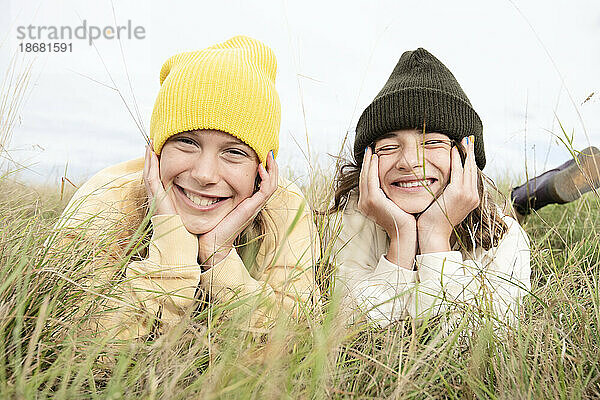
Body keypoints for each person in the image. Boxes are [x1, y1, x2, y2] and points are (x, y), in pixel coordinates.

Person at [52, 36, 319, 340]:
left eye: (234, 152)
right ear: (156, 150)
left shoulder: (285, 208)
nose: (204, 174)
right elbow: (85, 350)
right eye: (187, 142)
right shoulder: (106, 198)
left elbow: (291, 345)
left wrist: (219, 256)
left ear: (262, 169)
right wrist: (172, 245)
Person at [330, 48, 532, 328]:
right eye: (389, 147)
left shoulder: (507, 240)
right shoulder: (352, 221)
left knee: (511, 212)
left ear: (465, 155)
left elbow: (469, 349)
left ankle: (528, 197)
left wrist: (435, 238)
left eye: (432, 142)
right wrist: (400, 241)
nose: (409, 162)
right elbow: (351, 332)